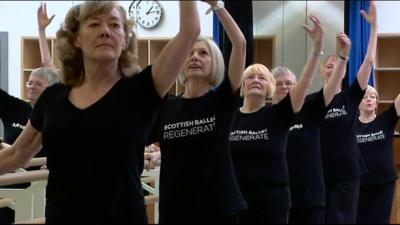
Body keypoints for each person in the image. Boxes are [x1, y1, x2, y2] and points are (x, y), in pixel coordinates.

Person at [0, 1, 200, 223]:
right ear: (76, 38)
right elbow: (17, 153)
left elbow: (189, 32)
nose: (105, 31)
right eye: (94, 24)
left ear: (124, 39)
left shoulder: (140, 90)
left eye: (115, 25)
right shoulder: (53, 98)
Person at [145, 1, 247, 223]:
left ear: (215, 62)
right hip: (176, 209)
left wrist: (218, 7)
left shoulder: (221, 100)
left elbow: (240, 45)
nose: (194, 57)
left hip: (217, 208)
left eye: (203, 53)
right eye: (189, 53)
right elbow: (140, 139)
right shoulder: (167, 106)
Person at [228, 15, 323, 224]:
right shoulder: (230, 117)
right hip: (236, 202)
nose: (256, 80)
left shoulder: (278, 115)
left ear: (269, 87)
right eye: (250, 77)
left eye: (262, 77)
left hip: (272, 204)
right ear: (241, 86)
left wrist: (316, 49)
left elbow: (305, 83)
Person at [273, 33, 351, 224]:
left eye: (289, 83)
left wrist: (343, 57)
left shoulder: (309, 109)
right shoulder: (266, 116)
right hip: (276, 197)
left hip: (309, 198)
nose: (284, 86)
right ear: (270, 86)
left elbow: (332, 85)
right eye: (279, 83)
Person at [0, 4, 59, 223]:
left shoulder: (59, 111)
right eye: (29, 83)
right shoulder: (17, 108)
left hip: (38, 190)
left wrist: (42, 33)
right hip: (7, 187)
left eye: (38, 84)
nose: (32, 87)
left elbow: (49, 67)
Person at [320, 1, 377, 223]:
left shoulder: (351, 96)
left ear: (344, 72)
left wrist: (373, 28)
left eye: (338, 66)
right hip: (319, 170)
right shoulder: (313, 101)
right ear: (322, 71)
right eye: (328, 66)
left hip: (347, 171)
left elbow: (369, 61)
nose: (333, 69)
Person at [356, 86, 400, 224]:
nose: (369, 99)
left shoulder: (386, 119)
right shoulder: (350, 125)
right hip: (359, 183)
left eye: (373, 97)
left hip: (384, 183)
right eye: (364, 97)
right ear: (357, 102)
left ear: (377, 102)